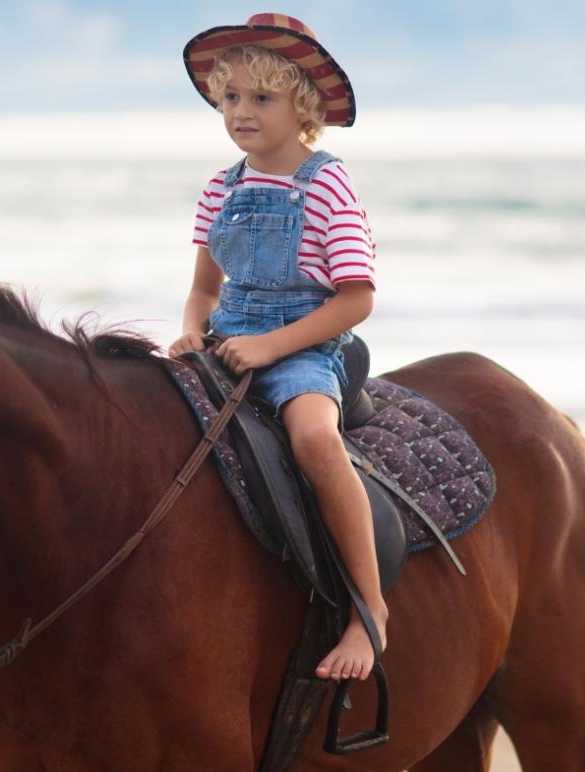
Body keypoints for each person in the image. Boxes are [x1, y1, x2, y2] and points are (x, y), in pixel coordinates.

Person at [168, 14, 383, 682]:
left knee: (315, 441)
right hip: (228, 341)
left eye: (261, 98)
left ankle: (369, 612)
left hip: (303, 346)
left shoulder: (326, 186)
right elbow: (205, 290)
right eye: (230, 97)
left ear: (305, 105)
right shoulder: (219, 189)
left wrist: (270, 348)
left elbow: (355, 299)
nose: (241, 112)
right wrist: (190, 330)